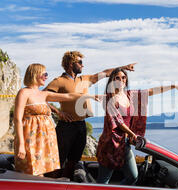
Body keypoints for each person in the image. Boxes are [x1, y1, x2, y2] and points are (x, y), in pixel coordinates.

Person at [44, 50, 136, 179]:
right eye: (80, 62)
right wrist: (58, 112)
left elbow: (105, 73)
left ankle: (65, 186)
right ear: (71, 64)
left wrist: (124, 67)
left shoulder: (85, 79)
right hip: (66, 127)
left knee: (74, 161)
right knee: (58, 161)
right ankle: (49, 187)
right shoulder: (59, 81)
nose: (83, 65)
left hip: (81, 126)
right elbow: (42, 97)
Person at [96, 68, 178, 185]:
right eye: (117, 78)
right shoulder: (109, 99)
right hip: (110, 145)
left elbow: (151, 91)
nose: (121, 80)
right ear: (112, 81)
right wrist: (133, 135)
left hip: (124, 143)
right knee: (103, 181)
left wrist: (173, 86)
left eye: (123, 78)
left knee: (133, 177)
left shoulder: (130, 95)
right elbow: (119, 122)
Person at [14, 63, 100, 177]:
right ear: (35, 74)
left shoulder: (43, 94)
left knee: (43, 170)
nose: (46, 77)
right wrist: (20, 144)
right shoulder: (24, 93)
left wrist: (91, 97)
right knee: (31, 171)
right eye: (44, 74)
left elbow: (68, 96)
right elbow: (17, 119)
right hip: (30, 139)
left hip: (45, 140)